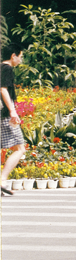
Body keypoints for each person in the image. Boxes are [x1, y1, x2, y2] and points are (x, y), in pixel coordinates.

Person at [1, 44, 26, 196]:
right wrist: (12, 111)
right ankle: (2, 180)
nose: (20, 60)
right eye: (20, 56)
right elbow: (3, 89)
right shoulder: (7, 68)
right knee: (20, 148)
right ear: (13, 56)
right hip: (4, 114)